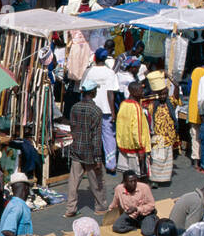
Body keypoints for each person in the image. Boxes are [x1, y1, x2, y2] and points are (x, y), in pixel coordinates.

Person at [65, 82, 109, 214]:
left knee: (73, 181)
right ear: (93, 92)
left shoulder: (74, 108)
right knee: (96, 181)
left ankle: (70, 209)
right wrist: (98, 158)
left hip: (76, 148)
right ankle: (100, 207)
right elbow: (96, 137)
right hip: (90, 152)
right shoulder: (96, 111)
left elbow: (72, 128)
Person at [85, 48, 121, 172]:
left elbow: (83, 90)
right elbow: (111, 93)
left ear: (95, 58)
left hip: (91, 108)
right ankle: (111, 165)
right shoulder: (110, 73)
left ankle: (92, 161)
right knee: (108, 137)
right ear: (106, 59)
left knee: (92, 135)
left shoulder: (89, 71)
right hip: (106, 110)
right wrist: (113, 112)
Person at [115, 81, 152, 178]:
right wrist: (140, 148)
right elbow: (137, 130)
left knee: (126, 176)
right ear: (134, 92)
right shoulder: (136, 107)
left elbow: (120, 125)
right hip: (135, 148)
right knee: (136, 177)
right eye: (141, 90)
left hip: (124, 145)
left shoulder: (123, 104)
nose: (143, 93)